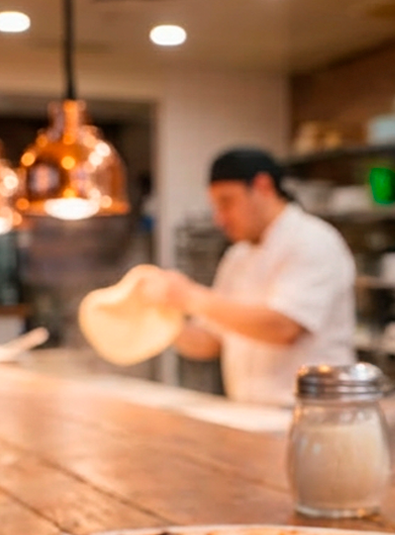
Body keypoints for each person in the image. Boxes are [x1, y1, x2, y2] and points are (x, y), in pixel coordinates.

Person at [141, 148, 356, 406]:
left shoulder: (312, 241)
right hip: (250, 412)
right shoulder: (237, 257)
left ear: (262, 187)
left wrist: (192, 297)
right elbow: (210, 341)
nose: (220, 218)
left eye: (226, 202)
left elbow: (283, 327)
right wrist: (157, 322)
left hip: (313, 413)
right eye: (215, 206)